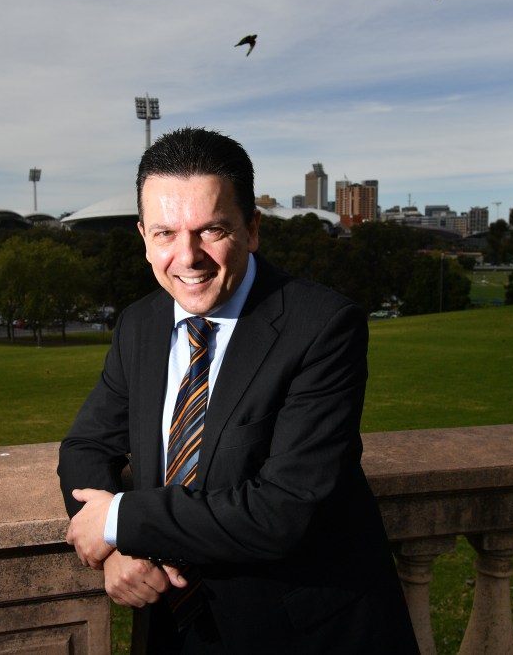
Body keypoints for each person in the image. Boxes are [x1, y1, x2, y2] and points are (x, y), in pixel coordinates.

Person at [58, 127, 419, 654]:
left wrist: (119, 522)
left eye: (212, 230)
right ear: (143, 236)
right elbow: (87, 446)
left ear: (252, 229)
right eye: (165, 234)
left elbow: (283, 510)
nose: (188, 257)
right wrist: (116, 551)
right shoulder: (140, 324)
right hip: (174, 629)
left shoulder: (323, 325)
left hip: (299, 634)